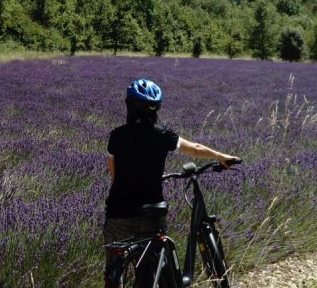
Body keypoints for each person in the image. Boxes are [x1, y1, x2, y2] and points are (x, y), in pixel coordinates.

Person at [103, 78, 240, 276]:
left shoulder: (116, 136)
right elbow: (195, 149)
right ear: (156, 109)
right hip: (152, 214)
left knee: (114, 268)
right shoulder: (163, 135)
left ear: (129, 106)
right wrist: (221, 156)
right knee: (150, 272)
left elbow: (114, 175)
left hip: (119, 214)